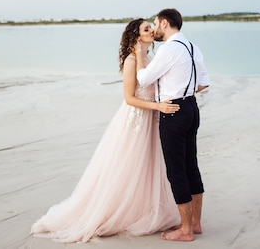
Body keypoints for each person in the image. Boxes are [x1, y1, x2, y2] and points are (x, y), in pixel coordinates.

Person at [30, 18, 181, 243]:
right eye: (146, 29)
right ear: (137, 35)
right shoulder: (132, 60)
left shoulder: (149, 58)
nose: (152, 31)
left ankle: (143, 210)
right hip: (136, 120)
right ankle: (115, 212)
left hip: (152, 120)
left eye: (152, 27)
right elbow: (130, 99)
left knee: (149, 166)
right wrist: (158, 106)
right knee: (129, 165)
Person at [134, 8, 210, 242]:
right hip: (191, 108)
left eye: (156, 23)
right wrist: (182, 88)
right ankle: (195, 223)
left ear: (165, 23)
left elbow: (143, 78)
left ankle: (186, 230)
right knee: (191, 166)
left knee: (176, 171)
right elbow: (202, 84)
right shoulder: (192, 46)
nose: (154, 28)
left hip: (173, 111)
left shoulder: (168, 49)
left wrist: (138, 54)